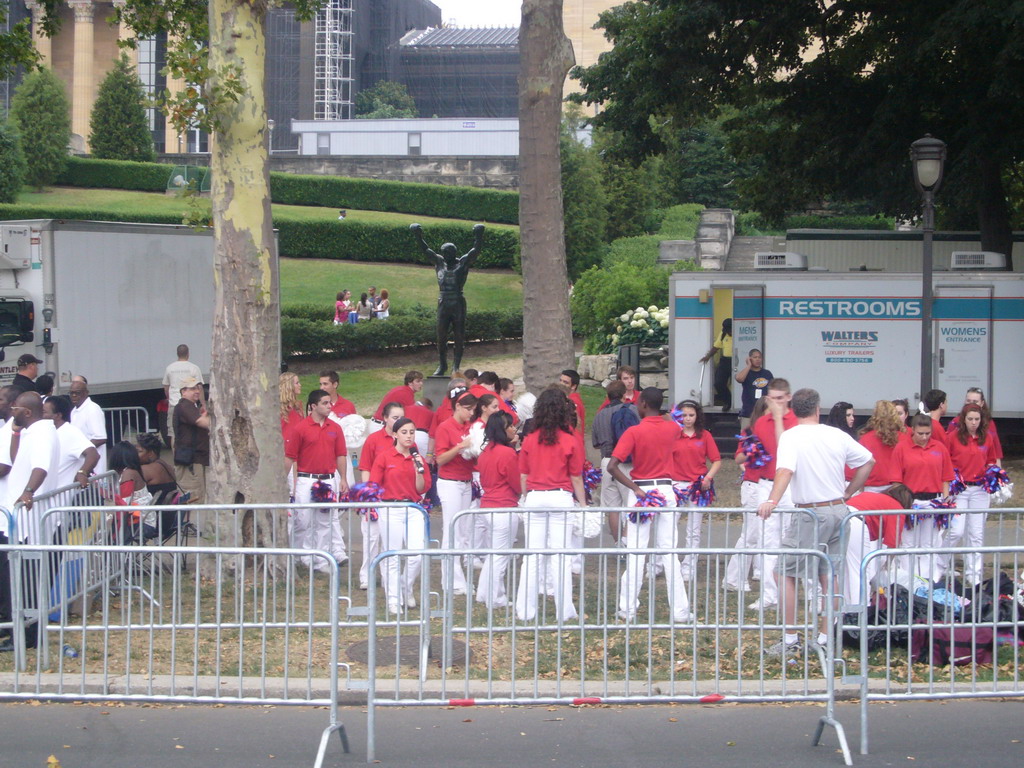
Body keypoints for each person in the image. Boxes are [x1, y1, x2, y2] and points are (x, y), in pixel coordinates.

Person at [756, 387, 874, 658]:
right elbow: (868, 462)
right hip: (838, 510)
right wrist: (849, 493)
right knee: (828, 575)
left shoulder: (792, 436)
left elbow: (785, 470)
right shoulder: (836, 434)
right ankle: (824, 637)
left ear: (794, 411)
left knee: (784, 573)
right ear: (818, 409)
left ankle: (790, 640)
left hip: (811, 513)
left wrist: (772, 501)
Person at [607, 387, 692, 622]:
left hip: (641, 490)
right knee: (669, 551)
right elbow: (672, 422)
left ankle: (627, 609)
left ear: (642, 404)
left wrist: (634, 488)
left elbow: (612, 466)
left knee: (636, 550)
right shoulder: (673, 428)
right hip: (666, 489)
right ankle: (681, 612)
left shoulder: (634, 431)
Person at [515, 388, 586, 624]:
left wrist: (527, 497)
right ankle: (564, 610)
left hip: (535, 495)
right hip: (560, 497)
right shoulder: (570, 437)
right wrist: (583, 504)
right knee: (561, 555)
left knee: (532, 555)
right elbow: (576, 476)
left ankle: (525, 610)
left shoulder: (530, 438)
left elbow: (523, 475)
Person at [3, 391, 62, 650]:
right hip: (18, 523)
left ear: (27, 412)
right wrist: (15, 432)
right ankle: (22, 634)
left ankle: (27, 637)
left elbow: (41, 467)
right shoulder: (31, 431)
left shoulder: (42, 433)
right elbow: (16, 460)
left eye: (15, 409)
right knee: (19, 582)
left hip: (29, 523)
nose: (11, 412)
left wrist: (28, 492)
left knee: (25, 584)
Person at [369, 417, 431, 614]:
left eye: (412, 432)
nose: (409, 436)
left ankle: (406, 586)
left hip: (413, 508)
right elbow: (374, 484)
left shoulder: (417, 458)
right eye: (404, 432)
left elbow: (422, 489)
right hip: (390, 508)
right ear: (395, 435)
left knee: (417, 553)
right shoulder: (385, 457)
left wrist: (418, 472)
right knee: (393, 554)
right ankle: (393, 599)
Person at [284, 389, 350, 572]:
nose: (330, 406)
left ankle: (320, 559)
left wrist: (343, 478)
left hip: (328, 480)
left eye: (330, 403)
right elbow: (290, 456)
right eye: (325, 403)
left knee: (325, 521)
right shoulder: (300, 428)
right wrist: (285, 481)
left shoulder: (335, 428)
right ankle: (299, 556)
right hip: (306, 479)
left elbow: (341, 455)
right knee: (302, 520)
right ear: (313, 406)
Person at [748, 377, 798, 611]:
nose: (776, 403)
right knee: (766, 540)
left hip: (789, 484)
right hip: (766, 483)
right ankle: (769, 595)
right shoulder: (761, 423)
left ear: (788, 397)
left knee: (791, 540)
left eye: (780, 398)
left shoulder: (796, 421)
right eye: (772, 399)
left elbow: (784, 448)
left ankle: (796, 592)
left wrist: (779, 418)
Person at [411, 222, 485, 376]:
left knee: (459, 335)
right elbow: (426, 250)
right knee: (441, 335)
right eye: (444, 252)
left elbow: (475, 251)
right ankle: (442, 364)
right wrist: (418, 235)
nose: (446, 255)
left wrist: (479, 235)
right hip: (443, 301)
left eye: (449, 252)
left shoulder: (462, 263)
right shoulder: (439, 263)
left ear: (454, 253)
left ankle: (455, 366)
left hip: (457, 300)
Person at [891, 414, 954, 583]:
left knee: (930, 543)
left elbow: (946, 476)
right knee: (909, 543)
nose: (924, 437)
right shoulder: (902, 448)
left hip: (933, 501)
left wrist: (946, 500)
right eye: (920, 433)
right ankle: (907, 580)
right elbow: (896, 480)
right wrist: (903, 503)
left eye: (927, 433)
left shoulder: (939, 448)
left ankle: (928, 579)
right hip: (911, 501)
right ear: (913, 431)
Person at [944, 403, 1000, 585]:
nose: (974, 423)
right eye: (970, 419)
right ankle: (938, 565)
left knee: (976, 533)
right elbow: (945, 461)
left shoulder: (987, 438)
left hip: (980, 489)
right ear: (963, 420)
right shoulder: (953, 437)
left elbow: (991, 460)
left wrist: (995, 476)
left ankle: (974, 574)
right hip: (959, 488)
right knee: (956, 530)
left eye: (977, 419)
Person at [724, 395, 770, 592]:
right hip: (754, 487)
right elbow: (738, 458)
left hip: (771, 486)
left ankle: (765, 577)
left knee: (768, 536)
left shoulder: (779, 432)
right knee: (749, 536)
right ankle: (734, 579)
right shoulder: (750, 432)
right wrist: (752, 450)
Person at [672, 399, 722, 579]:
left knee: (693, 529)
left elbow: (716, 460)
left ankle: (689, 567)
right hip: (675, 484)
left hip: (697, 485)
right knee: (669, 526)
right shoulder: (673, 434)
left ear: (697, 416)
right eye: (684, 415)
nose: (687, 419)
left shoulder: (705, 436)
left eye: (691, 415)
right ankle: (665, 563)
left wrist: (708, 477)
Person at [475, 411, 520, 609]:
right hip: (504, 506)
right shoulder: (507, 453)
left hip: (488, 505)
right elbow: (517, 483)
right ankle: (495, 597)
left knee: (493, 554)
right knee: (500, 556)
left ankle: (484, 593)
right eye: (509, 426)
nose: (513, 429)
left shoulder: (486, 452)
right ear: (502, 430)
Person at [358, 402, 405, 590]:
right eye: (395, 417)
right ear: (385, 418)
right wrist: (369, 495)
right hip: (376, 496)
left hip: (396, 498)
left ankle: (389, 579)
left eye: (401, 417)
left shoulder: (406, 440)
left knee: (390, 542)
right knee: (371, 538)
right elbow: (365, 467)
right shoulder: (374, 439)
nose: (399, 421)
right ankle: (366, 575)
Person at [434, 389, 477, 596]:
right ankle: (451, 581)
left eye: (473, 410)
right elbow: (439, 459)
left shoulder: (470, 427)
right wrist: (461, 447)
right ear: (457, 407)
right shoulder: (445, 427)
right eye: (468, 409)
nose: (471, 413)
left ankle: (456, 578)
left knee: (462, 530)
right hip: (450, 482)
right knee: (451, 530)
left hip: (466, 482)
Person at [843, 484, 914, 605]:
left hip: (842, 516)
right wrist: (888, 563)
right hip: (856, 522)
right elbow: (893, 542)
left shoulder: (870, 496)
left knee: (844, 571)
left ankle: (844, 610)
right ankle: (860, 612)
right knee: (859, 571)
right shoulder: (896, 507)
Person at [591, 380, 637, 542]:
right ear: (625, 394)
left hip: (606, 462)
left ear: (607, 396)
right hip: (625, 462)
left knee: (613, 508)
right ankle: (627, 540)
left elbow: (595, 444)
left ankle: (618, 543)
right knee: (630, 503)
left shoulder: (599, 415)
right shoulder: (631, 409)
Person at [43, 395, 100, 489]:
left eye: (44, 412)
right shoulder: (48, 432)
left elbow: (93, 454)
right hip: (47, 495)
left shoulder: (70, 432)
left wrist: (82, 473)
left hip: (61, 497)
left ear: (58, 415)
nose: (40, 416)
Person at [173, 377, 209, 507]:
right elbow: (202, 423)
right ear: (183, 391)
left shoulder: (191, 407)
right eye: (193, 388)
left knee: (198, 497)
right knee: (193, 500)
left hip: (195, 460)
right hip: (189, 462)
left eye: (198, 388)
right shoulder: (184, 406)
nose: (197, 391)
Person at [856, 400, 905, 492]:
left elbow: (861, 466)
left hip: (871, 487)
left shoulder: (865, 439)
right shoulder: (904, 438)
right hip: (897, 487)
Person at [946, 387, 1003, 465]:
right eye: (968, 401)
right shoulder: (955, 422)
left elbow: (995, 454)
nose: (971, 404)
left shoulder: (989, 423)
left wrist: (998, 475)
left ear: (982, 403)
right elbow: (946, 453)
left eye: (975, 402)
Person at [163, 345, 205, 444]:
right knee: (192, 431)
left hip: (174, 404)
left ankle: (175, 457)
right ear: (188, 354)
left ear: (177, 354)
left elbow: (166, 387)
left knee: (174, 434)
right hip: (190, 405)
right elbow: (200, 387)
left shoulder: (170, 368)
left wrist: (169, 398)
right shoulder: (194, 368)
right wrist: (203, 403)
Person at [69, 376, 107, 473]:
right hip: (81, 463)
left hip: (94, 468)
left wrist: (81, 449)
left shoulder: (92, 409)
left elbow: (100, 438)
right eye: (71, 393)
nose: (73, 395)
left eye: (77, 393)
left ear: (86, 393)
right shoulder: (74, 410)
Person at [699, 318, 733, 411]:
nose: (729, 332)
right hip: (726, 361)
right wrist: (708, 356)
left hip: (738, 361)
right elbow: (716, 347)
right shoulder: (723, 334)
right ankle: (728, 402)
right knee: (718, 383)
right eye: (727, 330)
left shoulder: (739, 334)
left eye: (730, 330)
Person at [734, 349, 772, 430]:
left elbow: (772, 389)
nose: (758, 359)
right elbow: (739, 379)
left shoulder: (767, 373)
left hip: (763, 412)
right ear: (750, 359)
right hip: (748, 413)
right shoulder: (746, 373)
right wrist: (748, 366)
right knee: (747, 438)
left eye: (759, 357)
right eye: (755, 357)